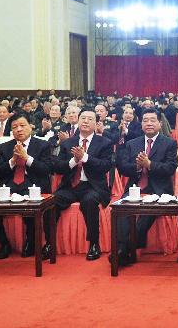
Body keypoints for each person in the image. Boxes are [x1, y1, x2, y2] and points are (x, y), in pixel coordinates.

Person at [113, 109, 178, 266]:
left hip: (159, 190)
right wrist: (137, 166)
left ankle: (124, 249)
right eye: (145, 120)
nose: (149, 123)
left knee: (146, 214)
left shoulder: (169, 143)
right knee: (122, 211)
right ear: (141, 123)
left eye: (152, 120)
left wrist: (150, 165)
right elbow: (122, 168)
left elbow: (170, 168)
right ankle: (124, 249)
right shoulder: (132, 143)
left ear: (159, 123)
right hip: (135, 189)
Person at [0, 113, 53, 259]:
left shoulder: (43, 145)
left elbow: (46, 170)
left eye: (22, 125)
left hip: (33, 184)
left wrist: (26, 158)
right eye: (15, 127)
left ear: (31, 127)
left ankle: (31, 242)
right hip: (9, 185)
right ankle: (4, 243)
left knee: (30, 207)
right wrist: (13, 160)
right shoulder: (3, 147)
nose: (19, 130)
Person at [52, 110, 114, 261]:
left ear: (96, 123)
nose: (85, 121)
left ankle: (94, 244)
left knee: (89, 201)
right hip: (71, 186)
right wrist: (74, 160)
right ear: (78, 121)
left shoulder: (104, 143)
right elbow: (58, 167)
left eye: (90, 119)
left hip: (93, 186)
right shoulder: (68, 143)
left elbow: (105, 166)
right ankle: (49, 243)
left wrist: (85, 157)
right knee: (52, 203)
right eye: (83, 118)